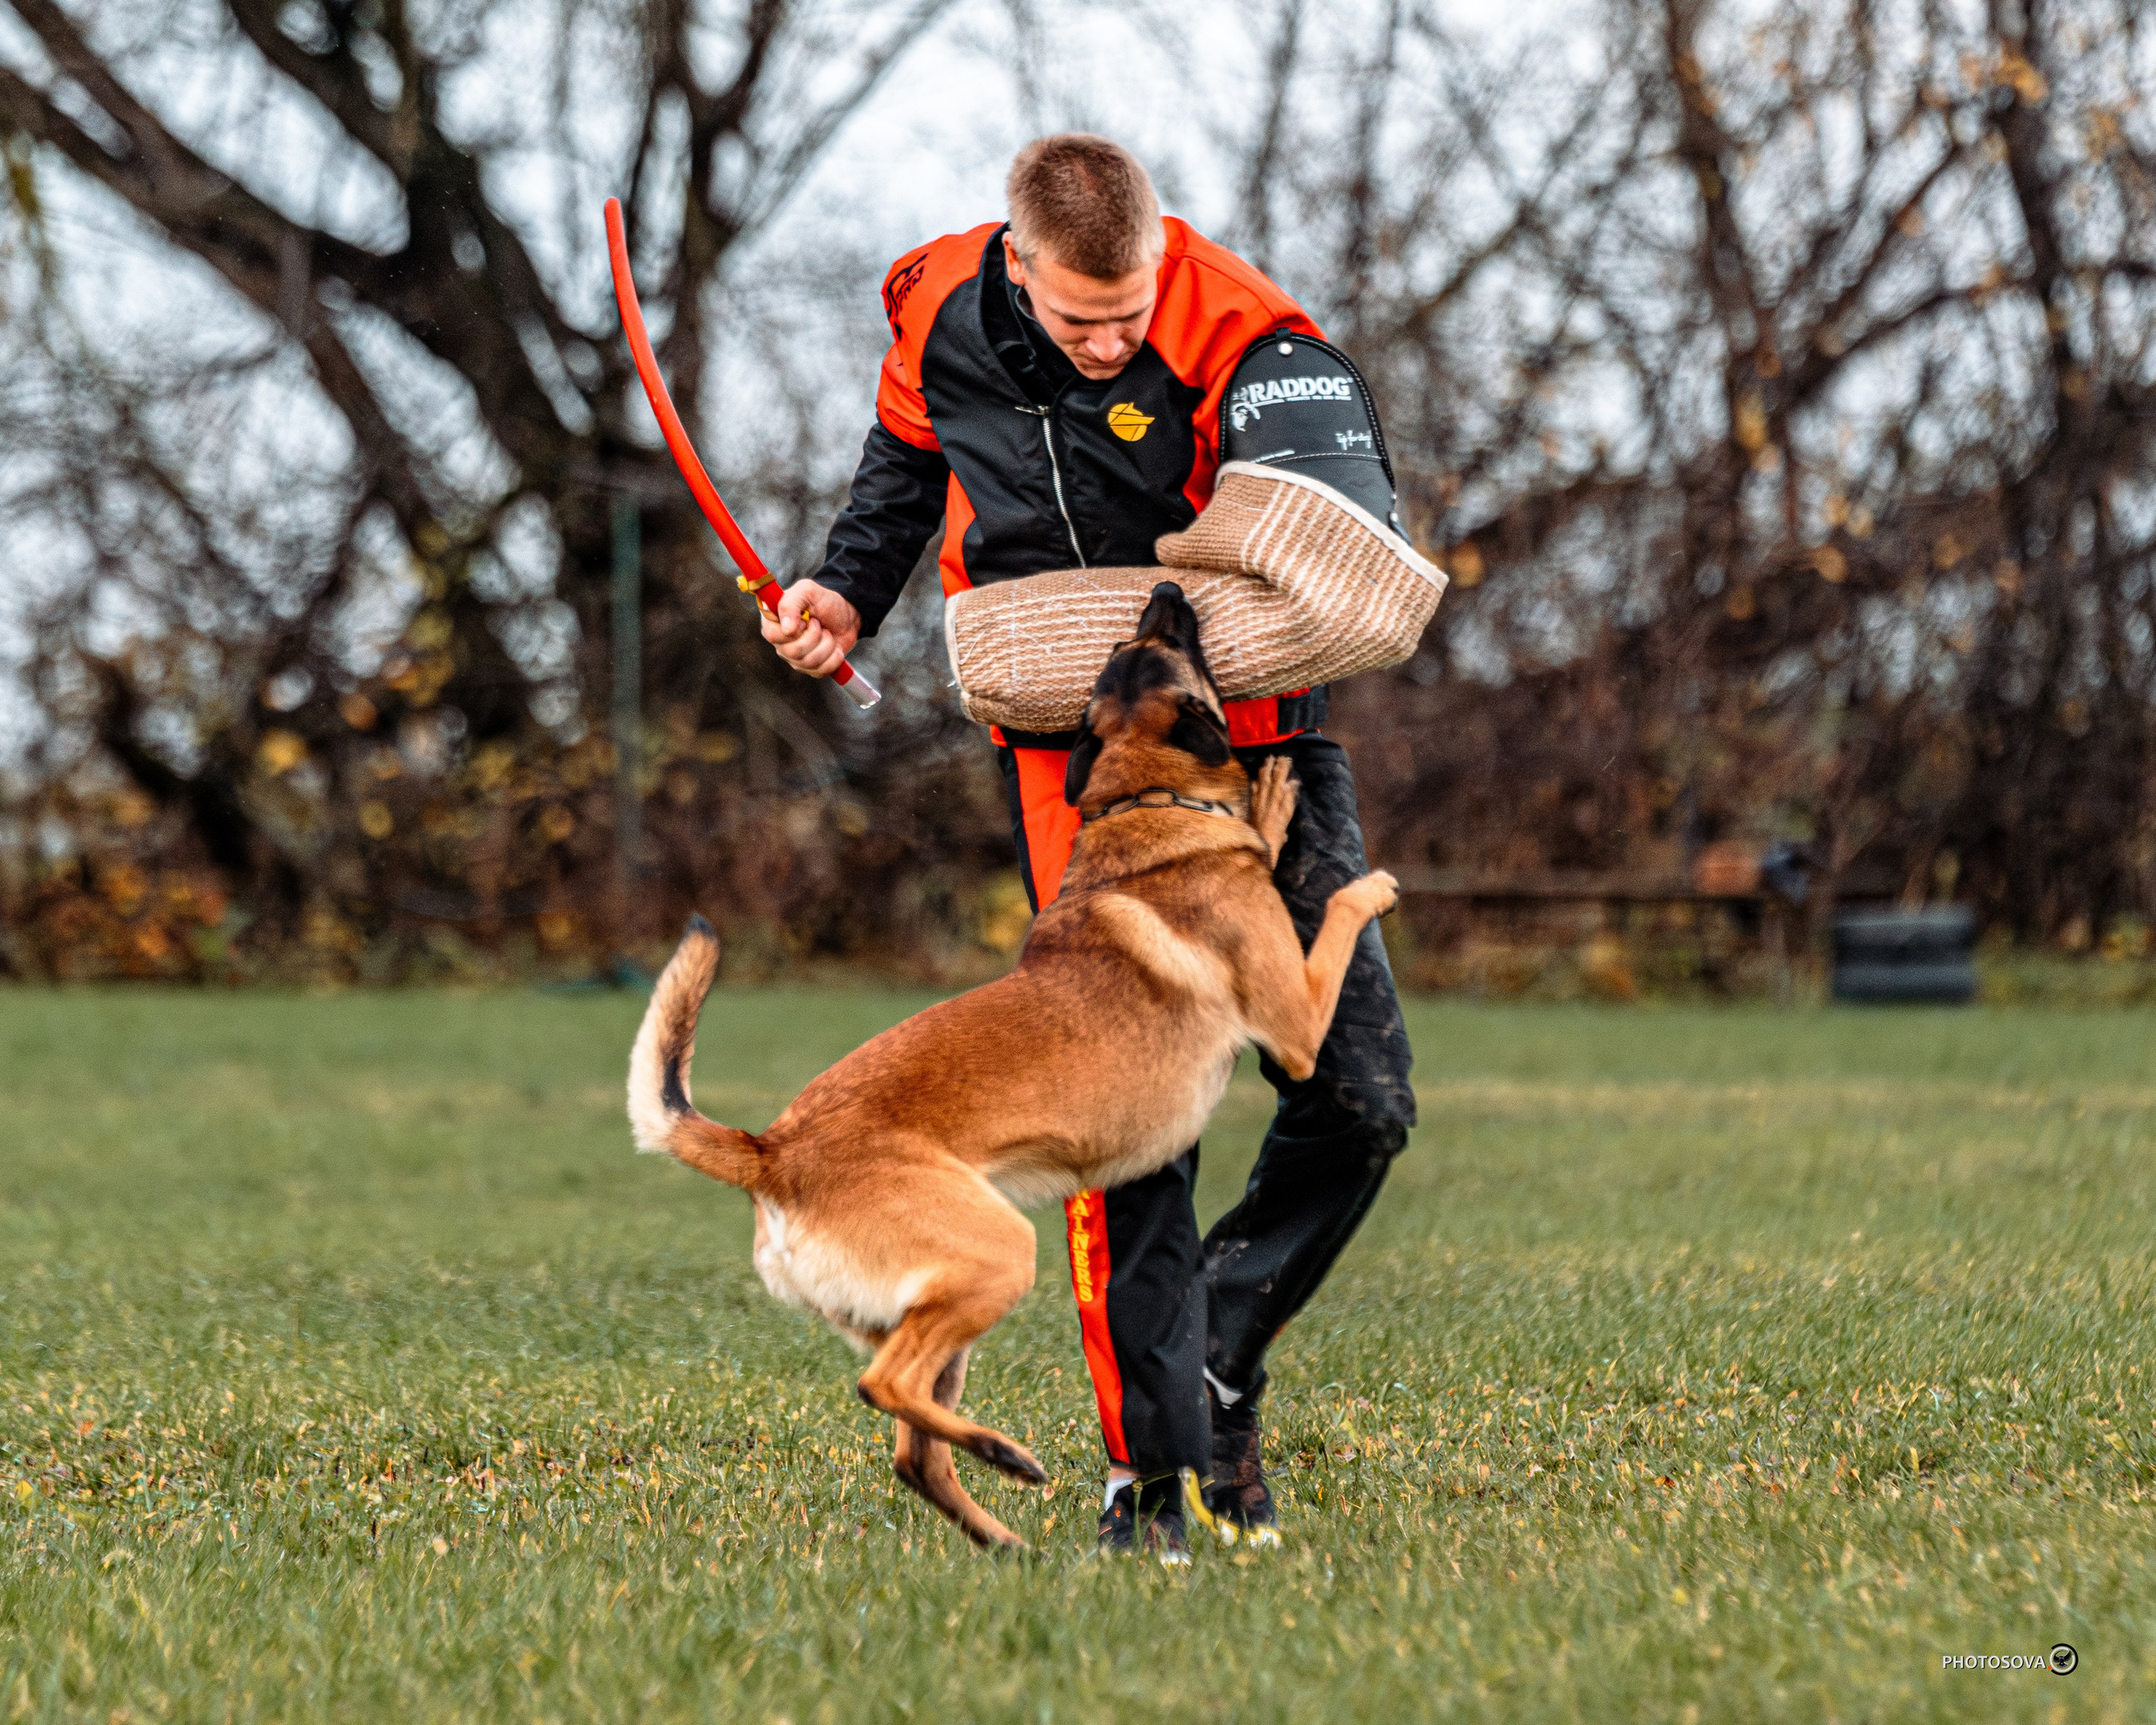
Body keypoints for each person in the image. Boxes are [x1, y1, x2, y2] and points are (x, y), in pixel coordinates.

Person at [762, 134, 1415, 1557]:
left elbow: (1338, 520)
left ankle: (1222, 1346)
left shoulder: (1250, 331)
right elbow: (899, 473)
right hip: (1071, 756)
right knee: (1130, 1141)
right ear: (1018, 262)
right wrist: (839, 593)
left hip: (1257, 744)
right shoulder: (936, 311)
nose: (1116, 341)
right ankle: (1151, 1481)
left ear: (1162, 251)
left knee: (1361, 1095)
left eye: (1134, 312)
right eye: (1081, 321)